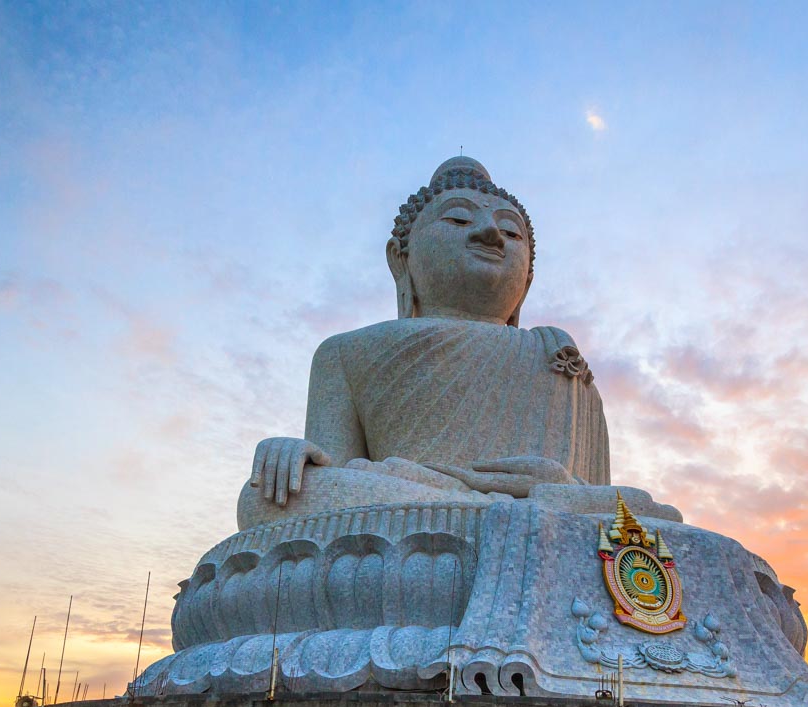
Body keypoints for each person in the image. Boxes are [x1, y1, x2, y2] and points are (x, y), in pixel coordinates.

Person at [237, 157, 677, 530]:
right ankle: (501, 516)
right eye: (459, 219)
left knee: (659, 518)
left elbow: (606, 507)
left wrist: (554, 484)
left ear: (527, 281)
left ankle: (495, 514)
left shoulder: (555, 355)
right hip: (442, 509)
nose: (489, 232)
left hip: (448, 521)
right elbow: (330, 470)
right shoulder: (343, 352)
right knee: (268, 497)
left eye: (511, 231)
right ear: (401, 258)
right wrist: (295, 457)